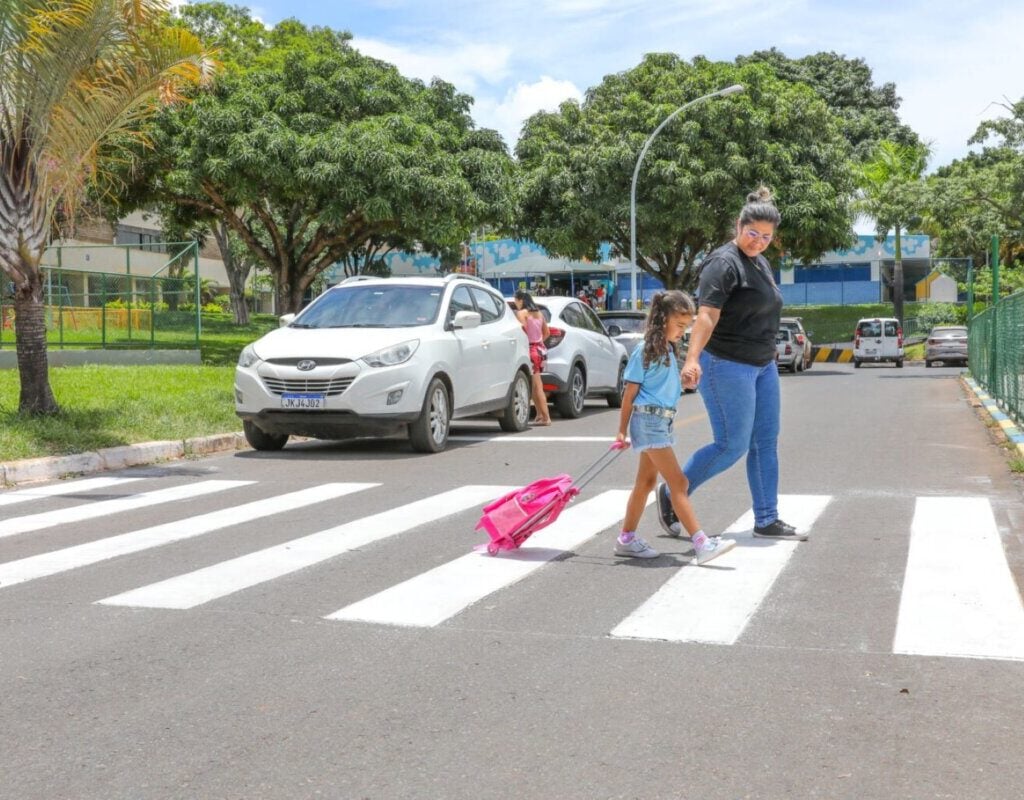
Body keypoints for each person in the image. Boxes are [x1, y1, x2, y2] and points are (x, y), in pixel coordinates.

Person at [657, 186, 807, 542]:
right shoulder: (722, 263)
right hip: (726, 364)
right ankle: (673, 493)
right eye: (752, 233)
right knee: (732, 444)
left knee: (765, 442)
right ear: (738, 226)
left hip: (762, 366)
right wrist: (691, 358)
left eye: (766, 237)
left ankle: (767, 518)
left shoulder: (761, 262)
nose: (758, 241)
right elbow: (706, 316)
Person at [614, 290, 737, 565]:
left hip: (660, 421)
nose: (684, 331)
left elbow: (661, 388)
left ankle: (626, 538)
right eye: (680, 325)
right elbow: (629, 394)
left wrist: (684, 384)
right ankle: (702, 543)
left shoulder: (667, 350)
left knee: (645, 483)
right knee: (679, 482)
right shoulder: (645, 350)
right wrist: (621, 431)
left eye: (687, 326)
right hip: (649, 422)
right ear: (662, 320)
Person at [513, 290, 552, 426]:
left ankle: (546, 417)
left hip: (531, 350)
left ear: (521, 300)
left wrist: (530, 343)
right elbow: (546, 333)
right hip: (541, 350)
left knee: (537, 385)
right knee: (535, 384)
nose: (516, 304)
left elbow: (522, 330)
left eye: (516, 301)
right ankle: (540, 415)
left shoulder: (521, 313)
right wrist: (538, 341)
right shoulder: (539, 314)